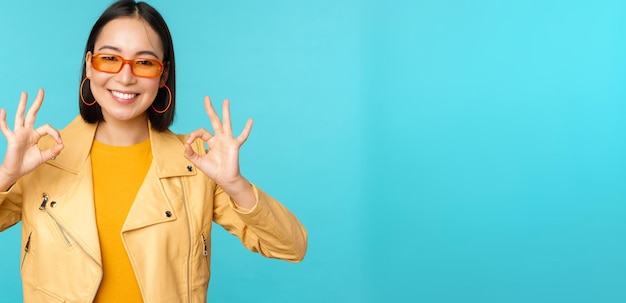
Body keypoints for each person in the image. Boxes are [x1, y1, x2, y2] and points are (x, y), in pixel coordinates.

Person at [0, 0, 307, 302]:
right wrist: (7, 174)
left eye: (145, 62)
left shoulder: (197, 163)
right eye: (109, 58)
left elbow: (292, 247)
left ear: (163, 75)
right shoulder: (41, 158)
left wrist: (236, 185)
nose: (125, 76)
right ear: (89, 66)